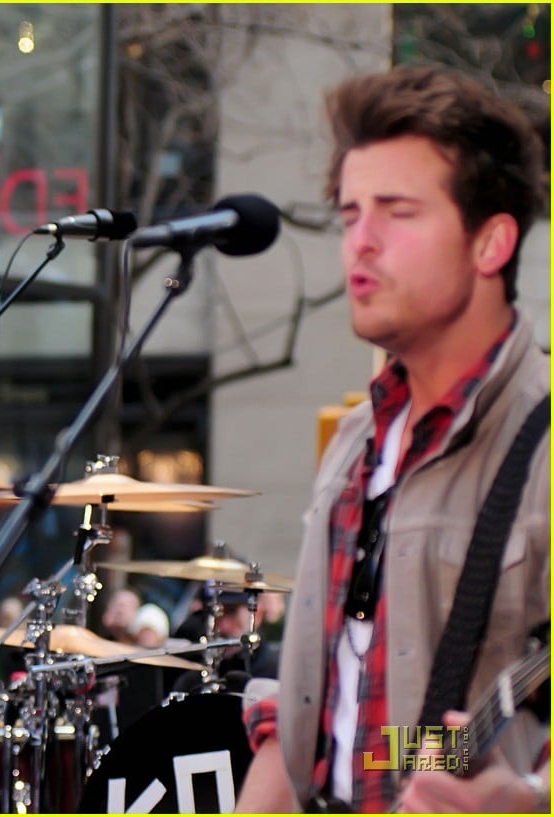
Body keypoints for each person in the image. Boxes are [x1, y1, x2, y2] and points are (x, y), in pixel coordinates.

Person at [235, 67, 549, 813]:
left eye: (396, 212)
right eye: (348, 215)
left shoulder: (539, 448)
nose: (360, 244)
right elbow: (327, 721)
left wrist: (531, 797)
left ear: (491, 243)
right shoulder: (353, 444)